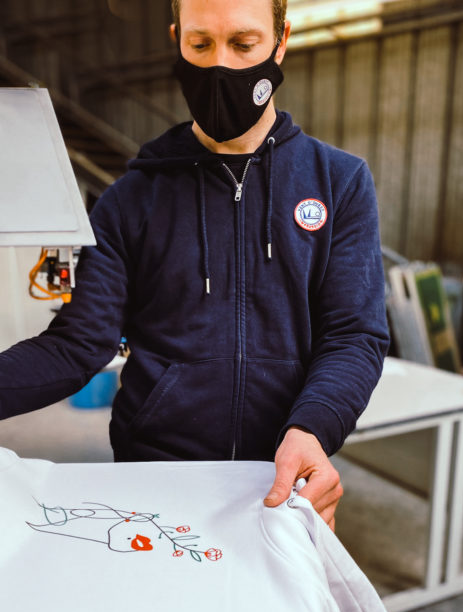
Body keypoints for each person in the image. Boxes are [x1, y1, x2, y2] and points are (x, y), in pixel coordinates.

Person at [0, 0, 389, 531]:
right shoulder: (130, 200)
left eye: (243, 44)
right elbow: (77, 345)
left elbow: (353, 335)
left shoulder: (338, 182)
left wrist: (313, 428)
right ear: (176, 40)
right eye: (201, 44)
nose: (220, 65)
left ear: (281, 41)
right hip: (153, 474)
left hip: (281, 474)